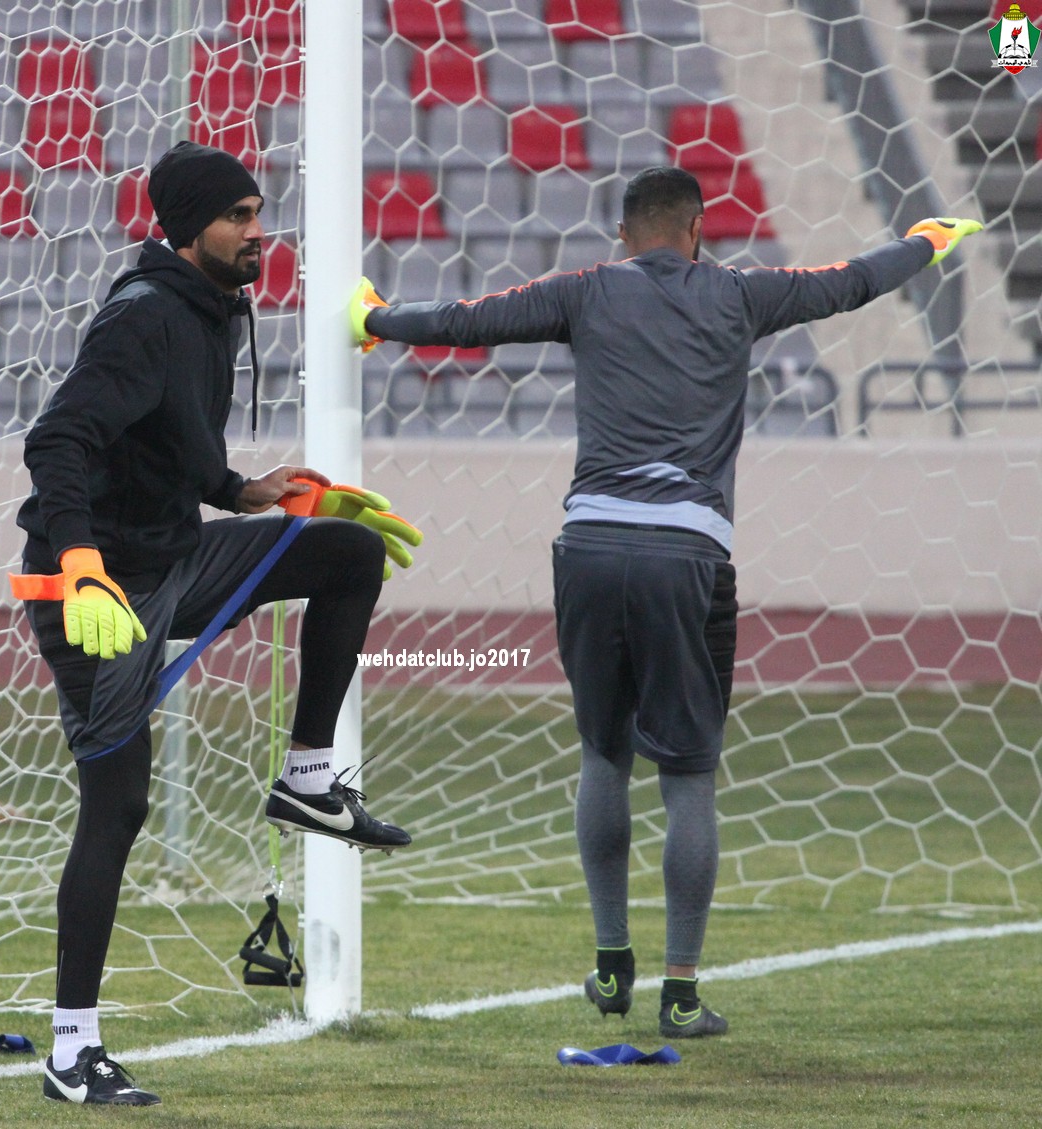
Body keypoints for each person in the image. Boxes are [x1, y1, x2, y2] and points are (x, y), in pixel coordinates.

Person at [350, 166, 980, 1038]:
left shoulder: (583, 290)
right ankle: (680, 992)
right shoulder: (742, 293)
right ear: (697, 230)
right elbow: (850, 282)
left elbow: (466, 321)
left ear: (622, 235)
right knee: (687, 775)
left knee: (602, 755)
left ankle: (612, 961)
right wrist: (925, 241)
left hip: (589, 546)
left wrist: (373, 319)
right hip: (686, 553)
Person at [14, 141, 417, 1105]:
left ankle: (308, 782)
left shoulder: (212, 309)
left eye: (258, 213)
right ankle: (72, 1052)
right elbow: (57, 439)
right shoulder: (145, 316)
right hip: (97, 590)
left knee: (347, 551)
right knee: (118, 806)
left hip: (174, 556)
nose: (257, 231)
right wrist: (78, 566)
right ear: (191, 227)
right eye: (238, 216)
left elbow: (169, 448)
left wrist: (242, 491)